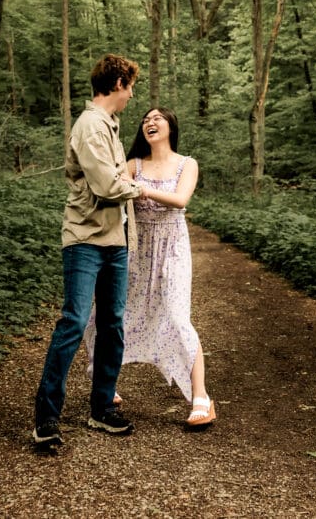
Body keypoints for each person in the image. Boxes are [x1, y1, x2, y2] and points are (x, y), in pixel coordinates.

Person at [32, 54, 145, 447]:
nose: (131, 95)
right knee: (75, 321)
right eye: (130, 86)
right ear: (117, 84)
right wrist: (143, 188)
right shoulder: (91, 126)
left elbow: (117, 179)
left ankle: (102, 408)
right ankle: (46, 417)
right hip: (84, 240)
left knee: (113, 323)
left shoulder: (110, 127)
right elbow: (109, 187)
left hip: (115, 241)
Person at [84, 107, 217, 429]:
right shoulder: (132, 165)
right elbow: (111, 190)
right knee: (114, 314)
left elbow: (181, 199)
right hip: (136, 246)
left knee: (176, 315)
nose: (150, 123)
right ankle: (106, 385)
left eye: (157, 118)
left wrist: (140, 188)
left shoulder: (187, 164)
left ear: (171, 125)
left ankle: (201, 398)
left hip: (172, 247)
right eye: (146, 120)